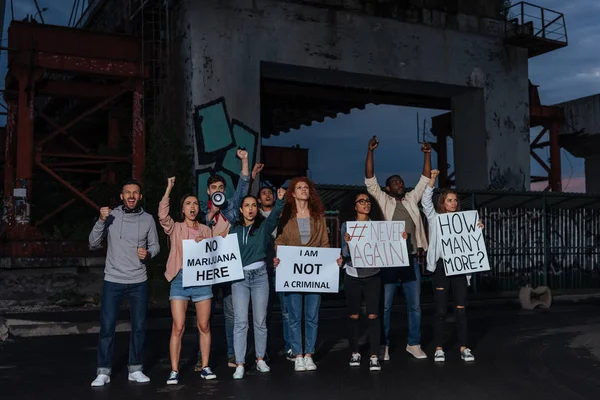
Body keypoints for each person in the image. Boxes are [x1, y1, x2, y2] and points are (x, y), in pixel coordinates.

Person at [364, 136, 431, 361]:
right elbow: (369, 180)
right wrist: (370, 151)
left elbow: (424, 179)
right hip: (389, 261)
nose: (400, 184)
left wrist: (427, 154)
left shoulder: (411, 199)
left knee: (415, 306)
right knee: (386, 306)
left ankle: (414, 343)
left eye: (401, 181)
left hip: (410, 259)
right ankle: (384, 345)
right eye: (396, 182)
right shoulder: (383, 200)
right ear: (388, 187)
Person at [89, 179, 160, 387]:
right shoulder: (111, 216)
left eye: (135, 193)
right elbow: (92, 243)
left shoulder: (148, 219)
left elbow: (155, 247)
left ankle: (135, 368)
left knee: (138, 327)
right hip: (113, 279)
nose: (131, 196)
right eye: (127, 192)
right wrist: (101, 221)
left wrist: (148, 253)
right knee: (107, 327)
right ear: (122, 196)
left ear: (140, 197)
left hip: (138, 280)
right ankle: (103, 371)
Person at [273, 177, 338, 372]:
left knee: (311, 315)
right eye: (299, 188)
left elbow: (324, 244)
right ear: (292, 193)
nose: (304, 190)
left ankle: (309, 354)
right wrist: (279, 257)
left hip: (314, 275)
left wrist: (332, 261)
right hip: (292, 272)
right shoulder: (285, 215)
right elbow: (280, 239)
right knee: (294, 316)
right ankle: (298, 354)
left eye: (306, 187)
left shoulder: (318, 216)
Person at [337, 191, 406, 372]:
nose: (366, 204)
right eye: (361, 201)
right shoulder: (347, 226)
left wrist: (401, 239)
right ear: (354, 206)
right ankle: (355, 352)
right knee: (353, 316)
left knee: (374, 316)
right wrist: (347, 243)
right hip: (353, 275)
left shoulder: (377, 227)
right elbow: (345, 254)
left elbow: (388, 247)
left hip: (373, 276)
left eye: (368, 201)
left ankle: (374, 355)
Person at [159, 176, 216, 384]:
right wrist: (168, 189)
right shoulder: (175, 228)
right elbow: (162, 216)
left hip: (202, 280)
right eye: (187, 204)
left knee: (204, 325)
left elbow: (215, 257)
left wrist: (205, 243)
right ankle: (174, 370)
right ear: (182, 210)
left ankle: (206, 366)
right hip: (180, 278)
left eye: (194, 204)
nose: (192, 207)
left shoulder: (207, 230)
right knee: (178, 326)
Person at [197, 148, 250, 369]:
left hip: (228, 269)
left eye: (221, 188)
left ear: (224, 190)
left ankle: (231, 353)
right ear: (208, 192)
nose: (217, 190)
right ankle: (203, 357)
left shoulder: (232, 208)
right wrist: (209, 215)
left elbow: (244, 184)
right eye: (214, 188)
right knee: (204, 316)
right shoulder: (199, 210)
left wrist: (244, 160)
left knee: (230, 313)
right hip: (207, 269)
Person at [422, 169, 483, 363]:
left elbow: (472, 245)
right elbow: (425, 202)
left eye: (455, 200)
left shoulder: (465, 220)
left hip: (460, 268)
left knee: (461, 309)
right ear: (442, 202)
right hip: (441, 268)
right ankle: (439, 348)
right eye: (449, 200)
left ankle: (464, 347)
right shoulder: (435, 218)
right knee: (441, 310)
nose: (454, 203)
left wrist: (478, 229)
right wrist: (432, 180)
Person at [229, 188, 286, 379]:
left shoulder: (263, 227)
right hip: (240, 278)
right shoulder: (234, 230)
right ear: (241, 210)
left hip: (261, 276)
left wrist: (279, 200)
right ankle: (240, 363)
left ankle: (260, 358)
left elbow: (276, 214)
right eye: (247, 206)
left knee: (260, 321)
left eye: (254, 205)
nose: (251, 209)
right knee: (240, 322)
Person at [259, 186, 294, 362]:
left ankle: (290, 347)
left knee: (287, 311)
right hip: (263, 267)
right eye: (263, 193)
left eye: (270, 193)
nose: (268, 195)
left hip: (283, 267)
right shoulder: (255, 217)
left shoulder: (284, 215)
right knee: (263, 312)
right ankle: (262, 350)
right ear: (258, 200)